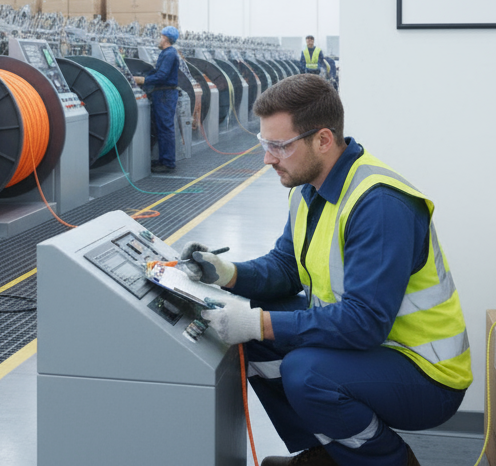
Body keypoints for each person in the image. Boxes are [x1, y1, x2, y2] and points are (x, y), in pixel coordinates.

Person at [177, 75, 469, 466]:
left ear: (324, 140)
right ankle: (329, 451)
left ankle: (388, 460)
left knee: (306, 371)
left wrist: (259, 323)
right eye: (265, 144)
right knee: (257, 335)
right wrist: (225, 272)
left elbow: (364, 322)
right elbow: (286, 267)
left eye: (279, 146)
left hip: (426, 374)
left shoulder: (379, 205)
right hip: (375, 352)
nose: (268, 158)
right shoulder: (308, 187)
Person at [131, 26, 181, 173]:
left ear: (165, 38)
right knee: (161, 127)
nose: (158, 40)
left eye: (160, 36)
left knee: (165, 128)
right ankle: (163, 159)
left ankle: (167, 162)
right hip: (163, 94)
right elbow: (159, 73)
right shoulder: (167, 53)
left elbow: (162, 76)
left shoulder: (169, 53)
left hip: (165, 94)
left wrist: (142, 80)